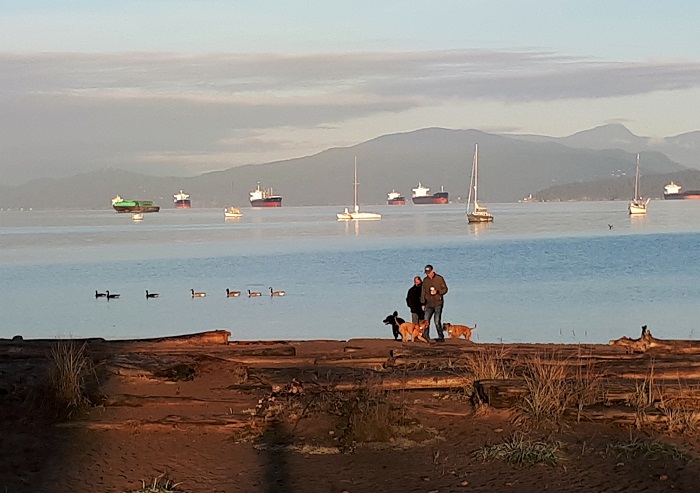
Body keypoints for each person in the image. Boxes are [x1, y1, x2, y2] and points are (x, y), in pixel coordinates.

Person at [421, 264, 448, 342]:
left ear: (433, 271)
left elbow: (445, 289)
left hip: (438, 303)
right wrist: (423, 303)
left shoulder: (439, 279)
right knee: (426, 320)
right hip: (428, 303)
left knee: (437, 320)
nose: (428, 274)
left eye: (429, 272)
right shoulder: (425, 280)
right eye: (426, 272)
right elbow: (423, 292)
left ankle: (440, 337)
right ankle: (426, 337)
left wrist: (437, 292)